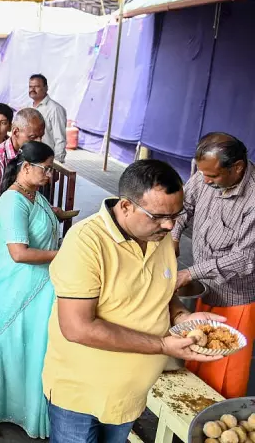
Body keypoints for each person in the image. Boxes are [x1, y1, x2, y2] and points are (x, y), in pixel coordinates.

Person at [43, 160, 224, 443]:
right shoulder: (86, 242)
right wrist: (163, 345)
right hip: (80, 396)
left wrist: (180, 318)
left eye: (176, 215)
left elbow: (162, 290)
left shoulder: (158, 235)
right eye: (158, 216)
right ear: (126, 206)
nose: (169, 225)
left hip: (131, 395)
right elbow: (77, 327)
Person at [0, 142, 59, 438]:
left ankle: (25, 407)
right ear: (26, 167)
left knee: (33, 346)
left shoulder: (33, 194)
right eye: (46, 168)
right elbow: (19, 253)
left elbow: (41, 219)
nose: (51, 174)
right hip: (15, 284)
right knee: (5, 345)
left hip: (38, 285)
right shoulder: (12, 201)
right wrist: (66, 254)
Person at [172, 132, 255, 398]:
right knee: (196, 352)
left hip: (236, 297)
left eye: (213, 177)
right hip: (205, 287)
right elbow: (183, 206)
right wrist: (173, 234)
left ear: (238, 167)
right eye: (202, 174)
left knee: (224, 367)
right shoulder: (206, 174)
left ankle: (212, 425)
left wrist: (190, 272)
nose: (205, 181)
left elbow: (245, 258)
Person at [0, 108, 45, 350]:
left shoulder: (30, 161)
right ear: (15, 132)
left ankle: (10, 347)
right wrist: (17, 221)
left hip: (16, 240)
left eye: (41, 137)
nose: (38, 142)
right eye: (34, 137)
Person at [29, 74, 67, 163]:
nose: (32, 89)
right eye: (30, 86)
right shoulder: (29, 107)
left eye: (36, 86)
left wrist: (56, 164)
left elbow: (60, 139)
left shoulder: (55, 109)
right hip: (30, 158)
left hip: (46, 161)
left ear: (46, 88)